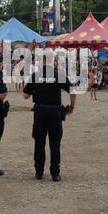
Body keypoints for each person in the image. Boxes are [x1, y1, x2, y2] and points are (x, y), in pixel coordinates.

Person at [23, 54, 76, 182]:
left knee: (39, 143)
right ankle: (55, 173)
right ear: (54, 62)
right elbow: (73, 91)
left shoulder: (36, 75)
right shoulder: (59, 75)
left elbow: (25, 95)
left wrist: (35, 91)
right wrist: (71, 107)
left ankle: (39, 172)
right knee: (55, 144)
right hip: (55, 112)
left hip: (40, 111)